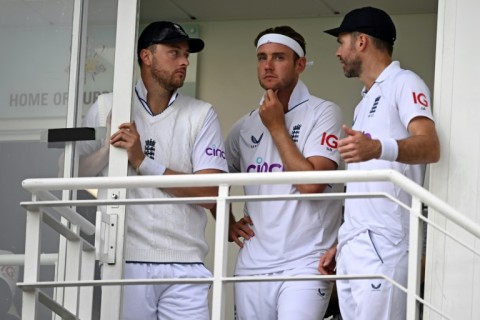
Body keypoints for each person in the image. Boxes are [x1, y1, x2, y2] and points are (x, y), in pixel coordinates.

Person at [76, 21, 228, 320]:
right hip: (123, 259)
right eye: (174, 52)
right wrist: (108, 149)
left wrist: (143, 162)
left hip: (186, 261)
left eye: (186, 53)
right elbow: (69, 174)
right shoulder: (107, 106)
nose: (184, 61)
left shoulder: (202, 113)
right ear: (146, 57)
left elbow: (212, 192)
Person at [318, 7, 440, 320]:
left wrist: (376, 147)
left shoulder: (405, 82)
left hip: (386, 245)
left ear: (361, 42)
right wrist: (344, 240)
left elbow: (430, 145)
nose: (337, 52)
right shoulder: (365, 101)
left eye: (341, 42)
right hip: (355, 246)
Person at [226, 25, 343, 320]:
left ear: (300, 64)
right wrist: (227, 222)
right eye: (262, 57)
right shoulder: (244, 125)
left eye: (279, 57)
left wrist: (277, 126)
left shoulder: (324, 112)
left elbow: (311, 185)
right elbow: (213, 178)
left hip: (306, 262)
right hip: (252, 264)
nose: (267, 65)